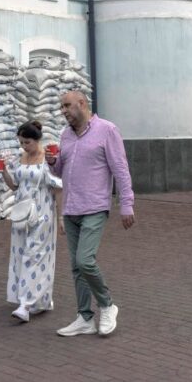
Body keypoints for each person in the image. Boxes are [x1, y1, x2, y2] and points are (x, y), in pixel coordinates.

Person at [46, 90, 136, 337]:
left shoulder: (107, 130)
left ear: (82, 104)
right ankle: (84, 317)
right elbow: (59, 173)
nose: (63, 111)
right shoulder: (65, 135)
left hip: (95, 207)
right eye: (61, 107)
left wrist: (126, 204)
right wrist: (52, 162)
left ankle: (107, 305)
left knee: (85, 260)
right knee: (76, 266)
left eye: (66, 106)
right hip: (71, 207)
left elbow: (120, 169)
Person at [0, 120, 62, 322]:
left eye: (27, 142)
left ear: (37, 140)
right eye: (21, 142)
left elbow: (59, 187)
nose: (23, 146)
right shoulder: (22, 158)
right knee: (20, 253)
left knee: (35, 254)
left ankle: (25, 304)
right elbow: (15, 186)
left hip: (43, 212)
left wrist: (61, 216)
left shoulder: (49, 158)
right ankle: (41, 299)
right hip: (21, 212)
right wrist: (2, 172)